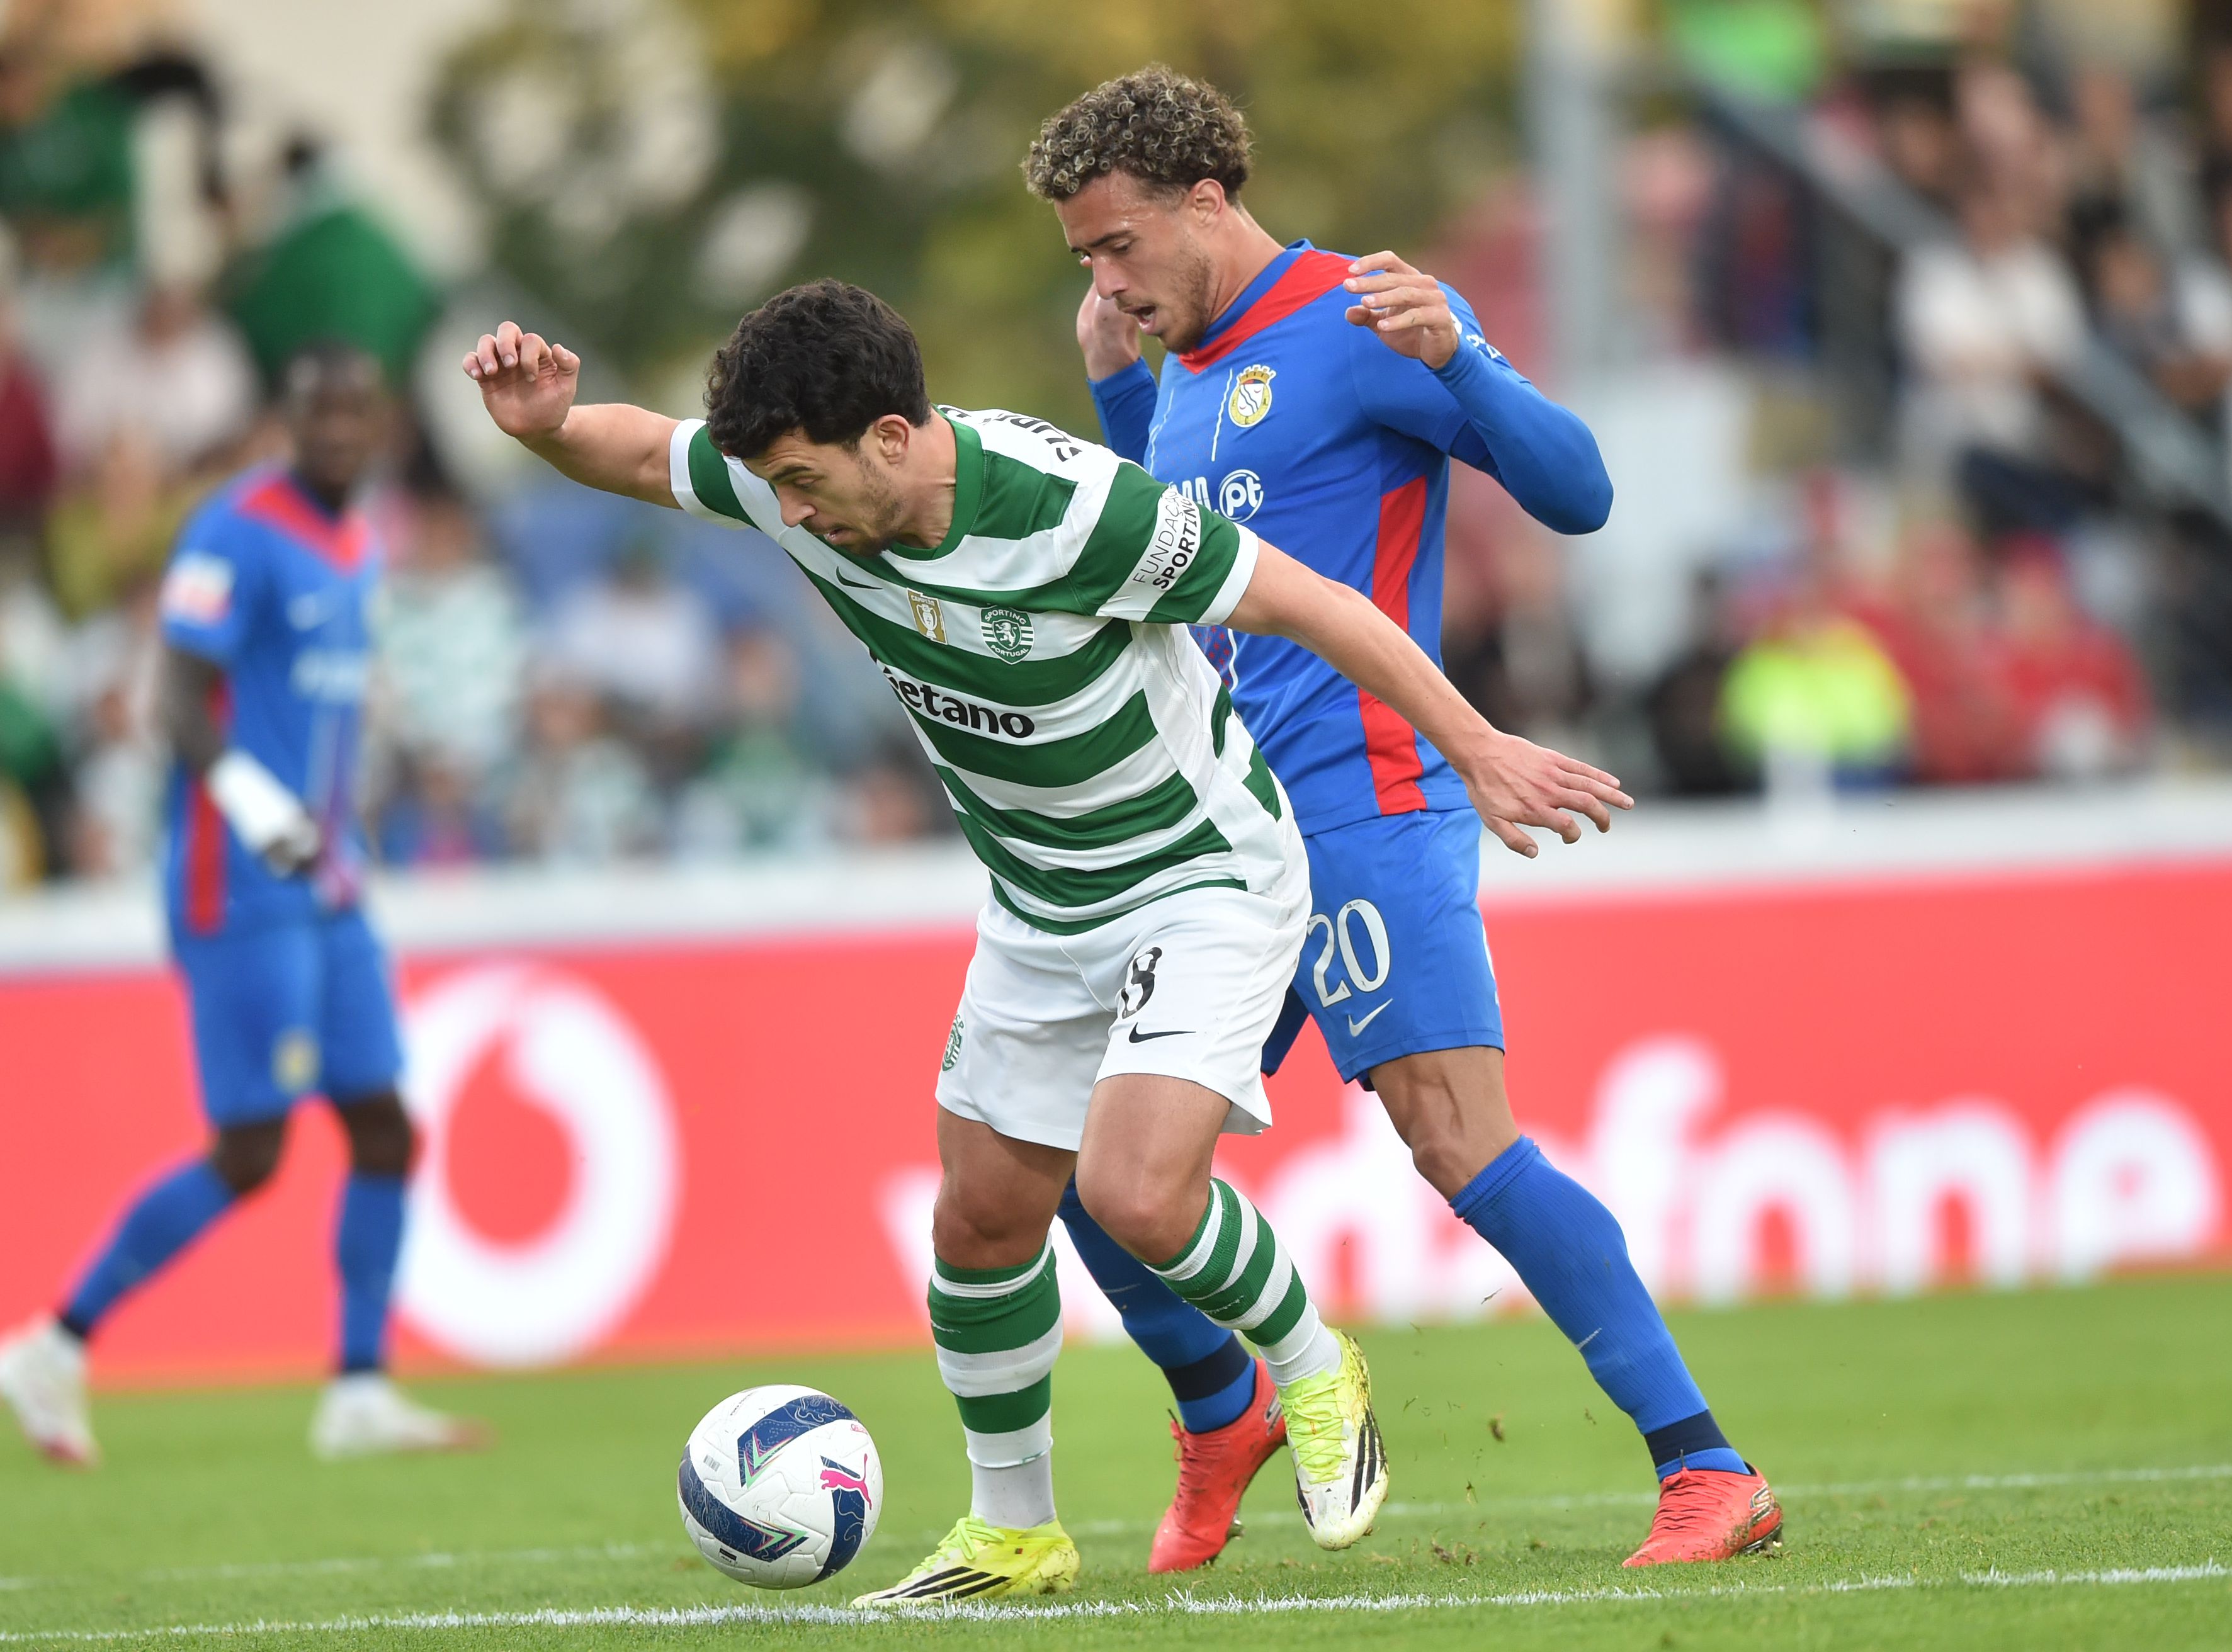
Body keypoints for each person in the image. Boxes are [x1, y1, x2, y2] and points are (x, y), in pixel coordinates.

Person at [458, 283, 1629, 1604]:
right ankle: (1016, 1530)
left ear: (893, 438)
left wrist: (1475, 746)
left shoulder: (1076, 509)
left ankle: (1310, 1363)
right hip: (1038, 900)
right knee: (982, 1216)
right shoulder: (782, 479)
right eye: (769, 484)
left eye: (802, 481)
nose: (789, 513)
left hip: (1203, 875)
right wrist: (542, 426)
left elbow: (1313, 604)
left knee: (1136, 1193)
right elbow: (627, 448)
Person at [1023, 65, 1779, 1570]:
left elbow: (1580, 497)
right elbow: (1176, 550)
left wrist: (1474, 359)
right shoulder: (1168, 357)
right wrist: (1113, 381)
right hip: (1224, 844)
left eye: (1116, 247)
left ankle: (1708, 1466)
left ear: (1206, 202)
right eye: (1083, 261)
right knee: (1087, 1169)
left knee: (1454, 1137)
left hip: (1369, 802)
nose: (1104, 279)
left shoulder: (1363, 319)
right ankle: (1224, 1406)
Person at [0, 344, 484, 1465]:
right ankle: (57, 1343)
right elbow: (172, 695)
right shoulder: (233, 527)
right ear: (286, 421)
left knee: (386, 1126)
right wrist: (251, 796)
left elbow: (326, 711)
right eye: (316, 416)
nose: (337, 436)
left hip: (329, 879)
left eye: (355, 416)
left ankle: (359, 1390)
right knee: (252, 1148)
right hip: (238, 876)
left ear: (382, 430)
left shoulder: (360, 540)